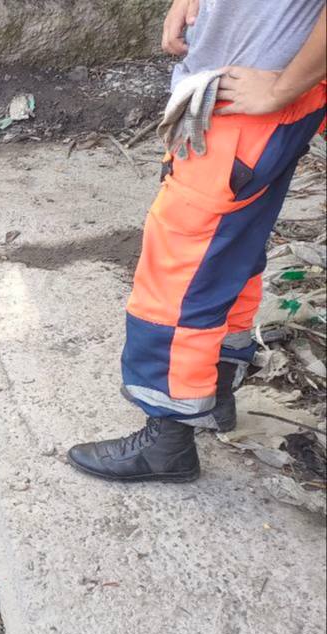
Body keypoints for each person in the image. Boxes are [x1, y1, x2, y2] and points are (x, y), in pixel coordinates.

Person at [69, 0, 327, 482]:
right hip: (263, 107)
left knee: (179, 276)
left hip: (247, 113)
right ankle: (215, 395)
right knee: (229, 256)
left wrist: (281, 87)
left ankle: (167, 440)